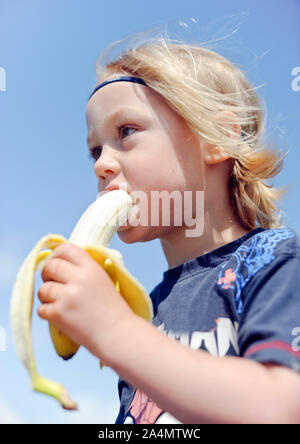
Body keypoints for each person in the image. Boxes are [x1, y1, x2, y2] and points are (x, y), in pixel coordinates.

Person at [37, 35, 300, 424]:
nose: (101, 165)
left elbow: (281, 408)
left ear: (217, 137)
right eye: (96, 150)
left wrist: (116, 332)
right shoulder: (147, 310)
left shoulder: (276, 263)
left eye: (125, 131)